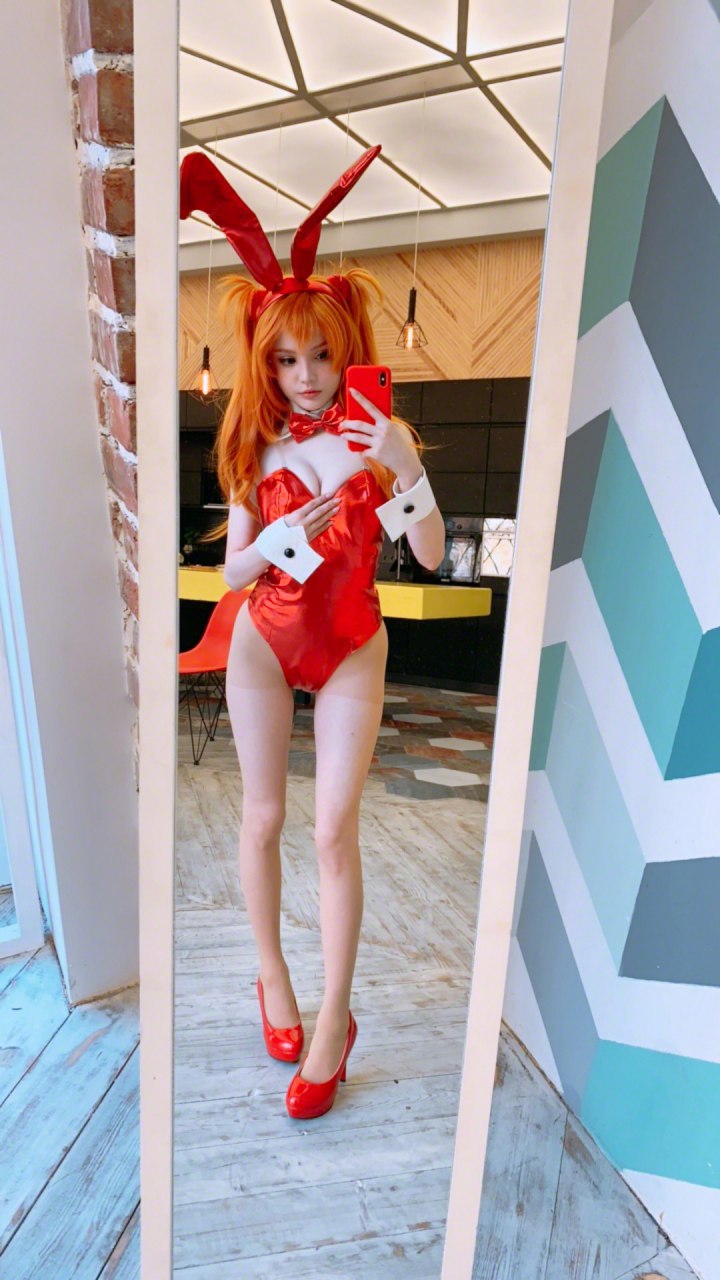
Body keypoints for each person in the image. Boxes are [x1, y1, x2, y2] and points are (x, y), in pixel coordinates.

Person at [180, 147, 446, 1119]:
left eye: (321, 356)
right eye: (286, 359)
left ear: (348, 348)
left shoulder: (375, 440)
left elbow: (427, 553)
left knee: (334, 828)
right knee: (262, 817)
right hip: (264, 635)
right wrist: (269, 544)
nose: (304, 377)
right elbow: (233, 573)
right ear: (265, 358)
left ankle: (335, 1018)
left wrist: (407, 465)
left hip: (351, 642)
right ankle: (272, 976)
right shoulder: (254, 441)